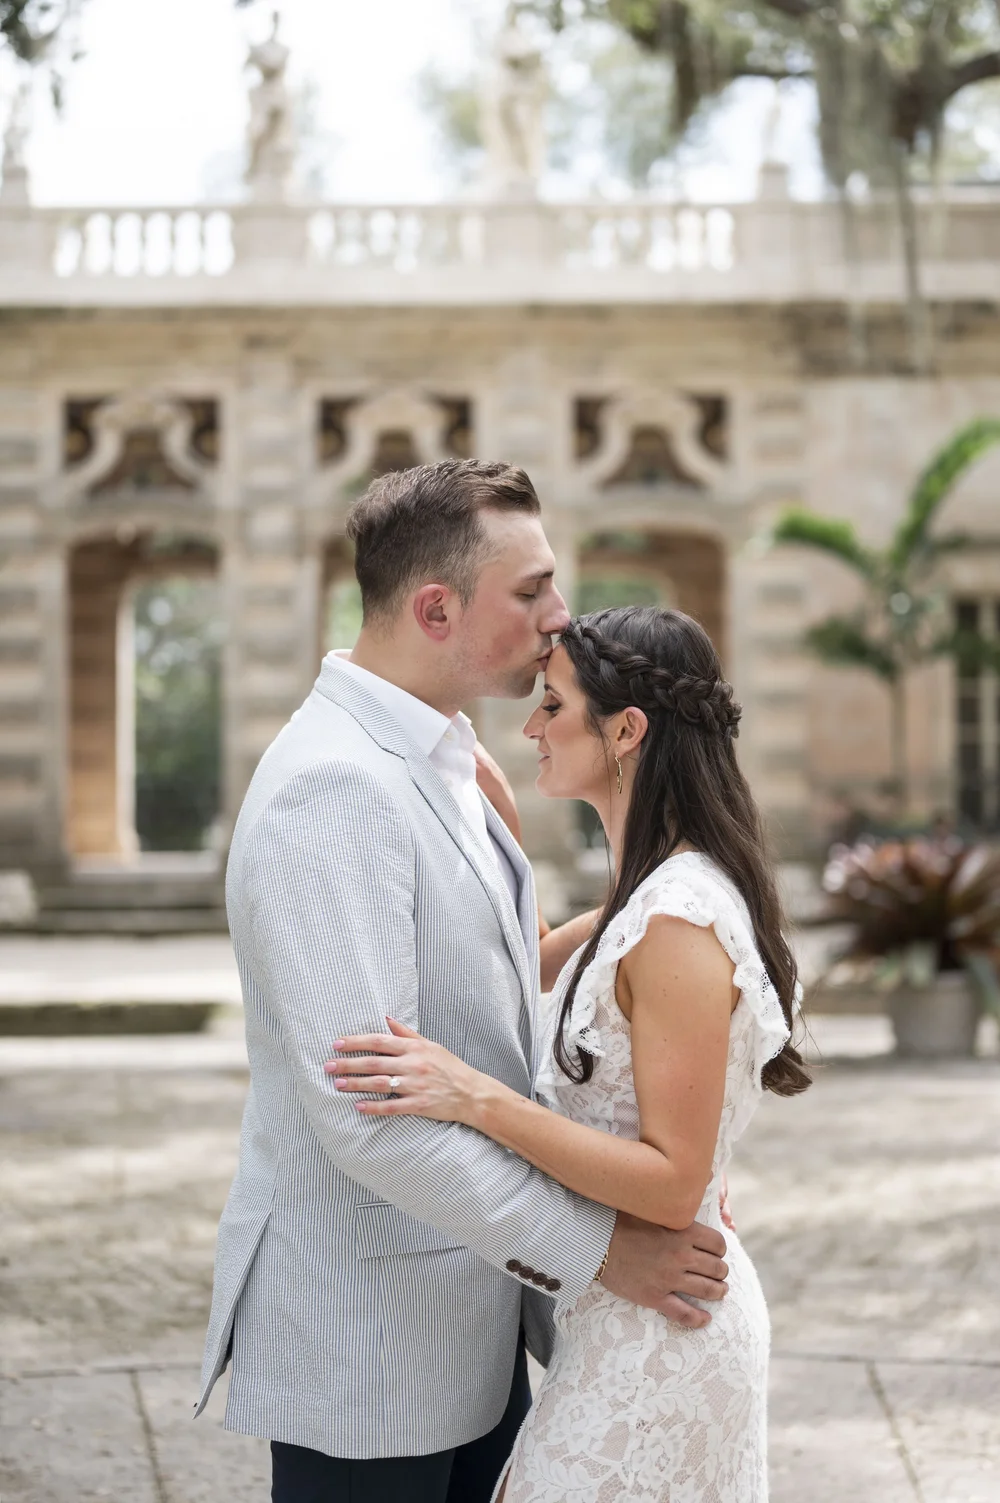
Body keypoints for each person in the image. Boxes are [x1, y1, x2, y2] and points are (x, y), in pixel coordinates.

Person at [196, 462, 730, 1503]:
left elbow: (485, 990)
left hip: (473, 1320)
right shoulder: (332, 789)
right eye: (530, 590)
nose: (558, 615)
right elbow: (371, 1115)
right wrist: (598, 1251)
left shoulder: (448, 759)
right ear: (436, 607)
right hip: (373, 1339)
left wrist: (657, 920)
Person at [327, 603, 811, 1502]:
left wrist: (476, 1098)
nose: (530, 726)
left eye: (553, 706)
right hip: (614, 1326)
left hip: (662, 1341)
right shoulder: (643, 901)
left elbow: (671, 1178)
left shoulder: (676, 918)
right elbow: (535, 972)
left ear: (626, 731)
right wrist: (493, 827)